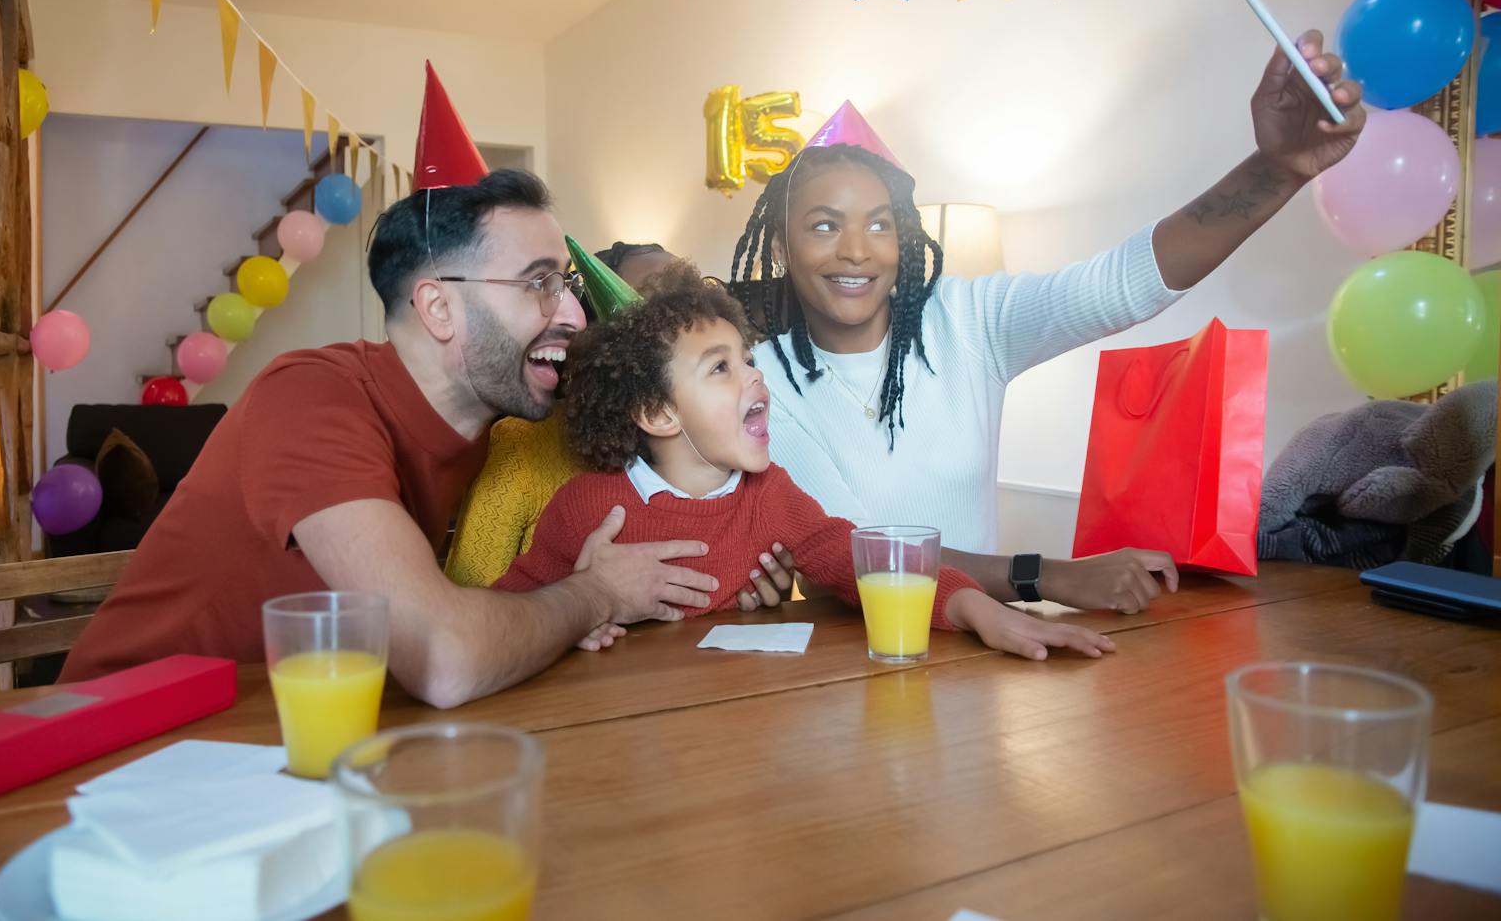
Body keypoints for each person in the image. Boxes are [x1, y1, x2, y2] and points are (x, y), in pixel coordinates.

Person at [729, 31, 1366, 613]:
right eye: (823, 226)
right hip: (852, 666)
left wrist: (1277, 170)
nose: (856, 251)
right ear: (781, 248)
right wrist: (1049, 577)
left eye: (879, 223)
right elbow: (858, 555)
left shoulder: (967, 321)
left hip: (987, 656)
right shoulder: (762, 391)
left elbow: (1122, 283)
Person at [61, 171, 728, 707]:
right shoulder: (310, 395)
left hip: (309, 732)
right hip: (122, 747)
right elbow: (444, 658)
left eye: (569, 285)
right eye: (539, 285)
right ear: (439, 308)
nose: (575, 315)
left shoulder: (495, 430)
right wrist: (594, 596)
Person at [493, 263, 1115, 661]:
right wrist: (571, 613)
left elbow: (853, 557)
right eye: (720, 368)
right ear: (658, 413)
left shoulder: (770, 496)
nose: (755, 379)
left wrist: (980, 609)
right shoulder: (588, 510)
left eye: (749, 359)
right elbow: (506, 615)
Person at [446, 241, 800, 610]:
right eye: (653, 306)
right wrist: (582, 600)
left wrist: (763, 584)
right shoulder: (527, 452)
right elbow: (472, 616)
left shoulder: (742, 469)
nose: (682, 319)